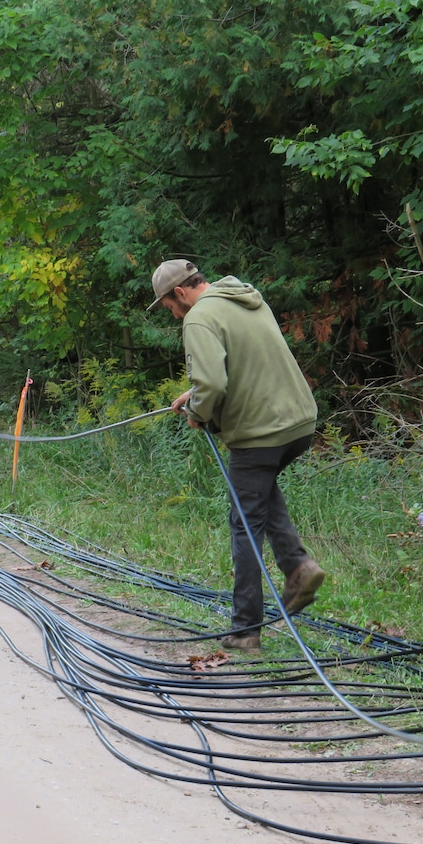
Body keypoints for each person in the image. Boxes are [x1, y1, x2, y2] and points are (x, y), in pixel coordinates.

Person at [148, 258, 322, 652]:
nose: (172, 313)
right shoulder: (245, 299)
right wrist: (195, 397)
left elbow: (211, 382)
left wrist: (197, 411)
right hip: (297, 423)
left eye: (168, 306)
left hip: (259, 431)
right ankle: (298, 566)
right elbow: (244, 365)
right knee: (259, 490)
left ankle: (245, 629)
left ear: (179, 292)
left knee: (244, 522)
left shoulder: (197, 318)